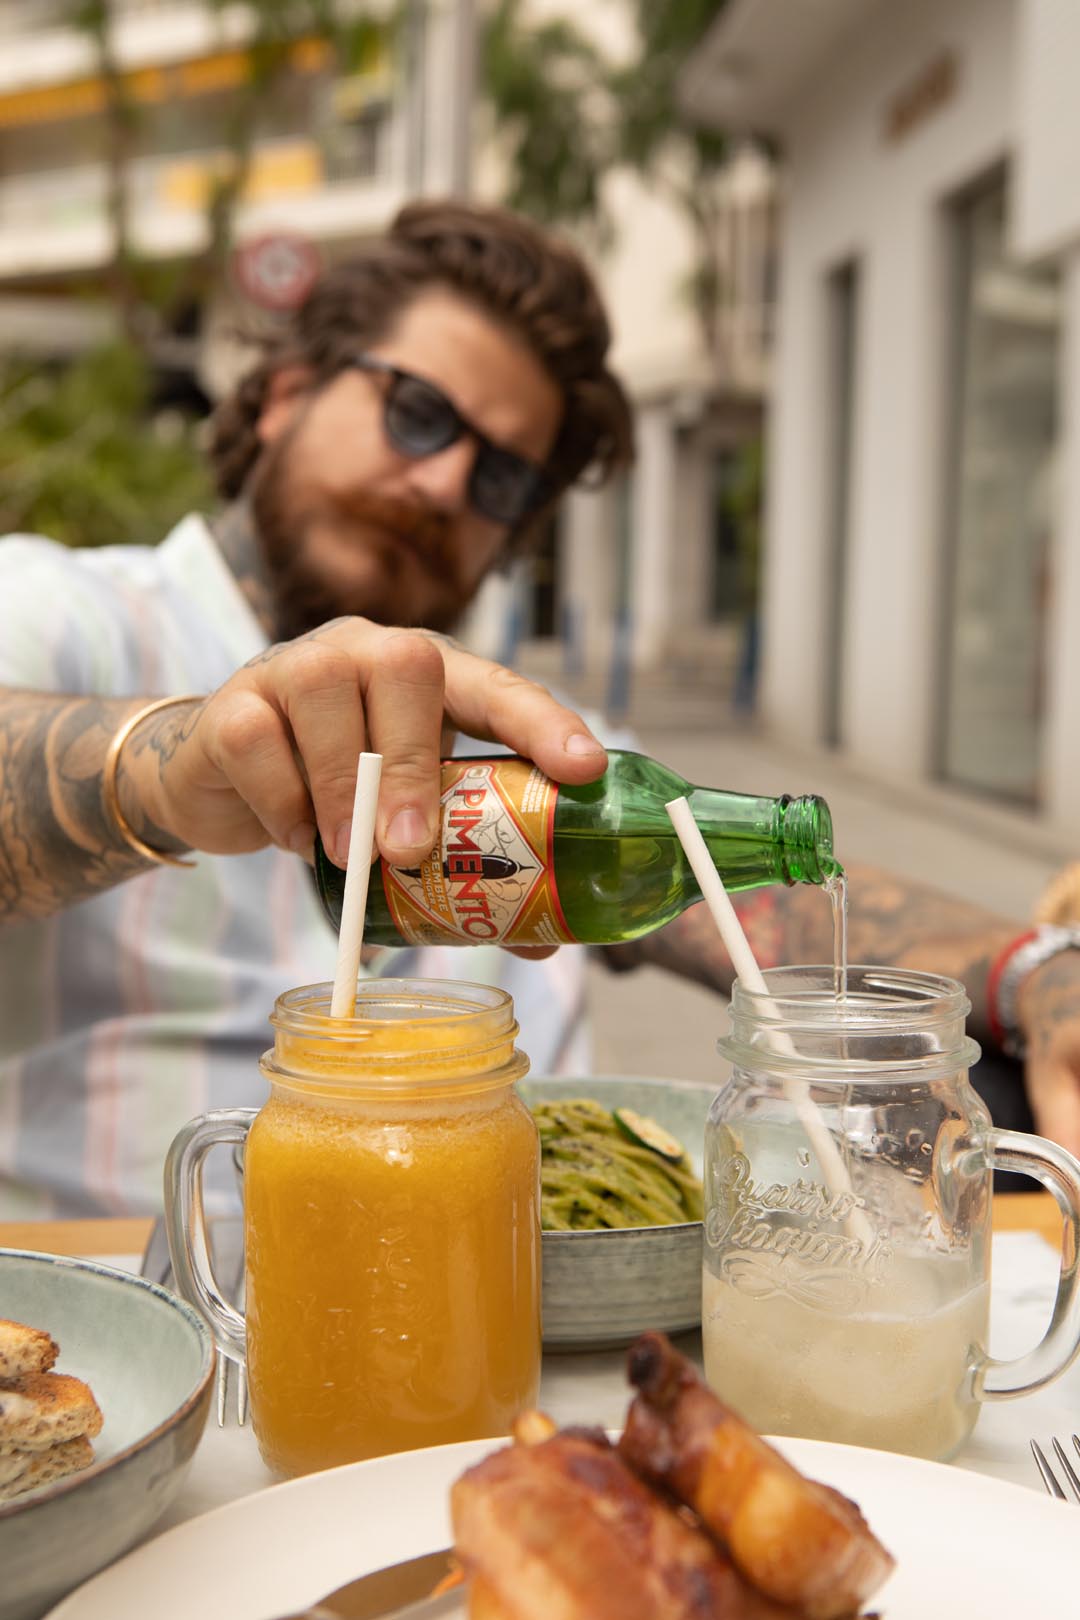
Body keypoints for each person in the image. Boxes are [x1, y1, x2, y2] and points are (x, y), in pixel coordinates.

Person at [0, 200, 1077, 1219]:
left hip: (527, 1309)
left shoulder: (531, 746)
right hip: (152, 1301)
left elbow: (766, 888)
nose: (445, 485)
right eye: (419, 414)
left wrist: (1039, 973)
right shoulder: (63, 612)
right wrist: (158, 772)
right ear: (285, 392)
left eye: (503, 479)